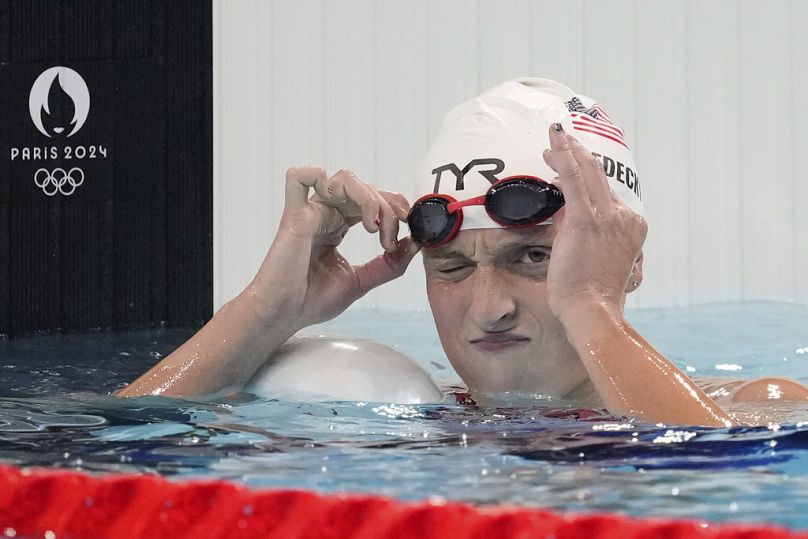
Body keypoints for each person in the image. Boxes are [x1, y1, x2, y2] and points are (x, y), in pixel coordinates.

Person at [118, 78, 808, 427]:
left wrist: (593, 309)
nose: (490, 307)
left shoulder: (766, 409)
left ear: (627, 259)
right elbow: (102, 460)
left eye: (534, 258)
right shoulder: (408, 413)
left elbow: (706, 479)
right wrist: (265, 312)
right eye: (451, 267)